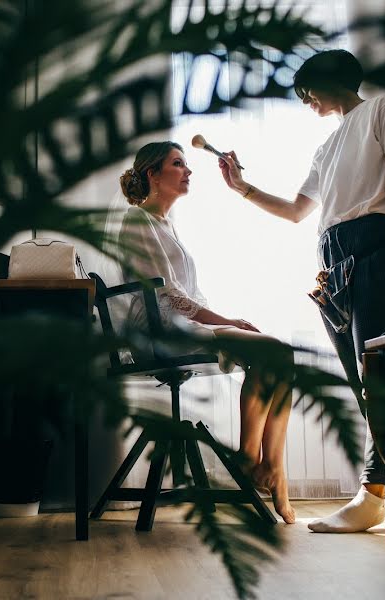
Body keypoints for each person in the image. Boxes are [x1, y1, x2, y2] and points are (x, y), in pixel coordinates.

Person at [217, 49, 385, 533]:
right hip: (331, 259)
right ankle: (383, 489)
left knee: (380, 373)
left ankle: (377, 491)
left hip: (374, 242)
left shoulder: (383, 108)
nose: (305, 100)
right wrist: (241, 188)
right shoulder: (325, 148)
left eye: (306, 91)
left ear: (324, 81)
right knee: (360, 377)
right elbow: (295, 211)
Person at [119, 141, 296, 524]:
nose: (188, 171)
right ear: (152, 174)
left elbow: (188, 294)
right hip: (159, 331)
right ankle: (253, 463)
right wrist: (226, 322)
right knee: (275, 352)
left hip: (182, 323)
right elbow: (167, 294)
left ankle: (268, 467)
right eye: (178, 164)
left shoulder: (169, 226)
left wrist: (224, 320)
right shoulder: (137, 220)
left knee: (278, 354)